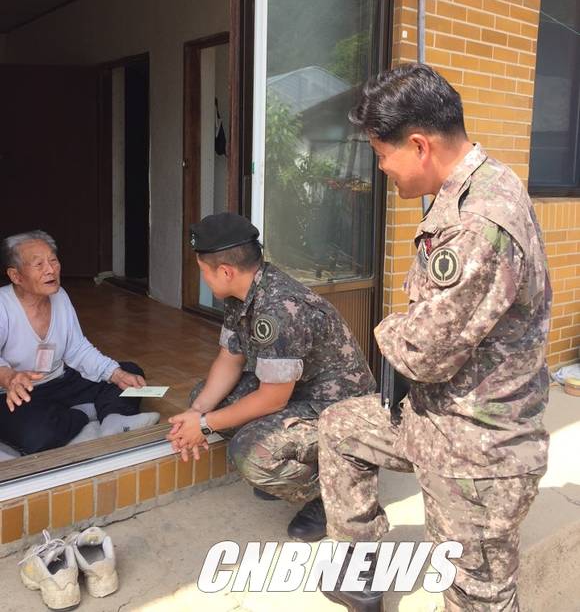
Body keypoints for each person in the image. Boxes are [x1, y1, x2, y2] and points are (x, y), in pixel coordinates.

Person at [317, 63, 551, 611]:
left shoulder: (477, 223)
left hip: (477, 451)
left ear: (420, 146)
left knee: (476, 596)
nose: (381, 169)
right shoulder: (480, 184)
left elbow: (423, 352)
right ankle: (358, 570)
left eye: (382, 155)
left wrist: (385, 328)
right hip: (437, 417)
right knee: (341, 426)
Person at [167, 212, 376, 539]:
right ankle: (302, 466)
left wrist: (205, 425)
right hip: (299, 393)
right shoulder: (242, 292)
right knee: (204, 399)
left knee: (251, 455)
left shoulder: (279, 307)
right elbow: (230, 358)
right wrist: (196, 414)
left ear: (226, 271)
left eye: (203, 271)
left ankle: (340, 491)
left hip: (340, 409)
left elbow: (272, 399)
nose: (203, 279)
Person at [0, 231, 160, 456]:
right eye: (39, 264)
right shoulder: (3, 305)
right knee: (38, 435)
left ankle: (114, 420)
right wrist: (9, 377)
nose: (50, 269)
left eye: (53, 260)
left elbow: (77, 348)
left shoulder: (60, 296)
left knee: (129, 372)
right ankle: (85, 413)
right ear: (16, 276)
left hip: (60, 381)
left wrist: (114, 373)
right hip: (14, 393)